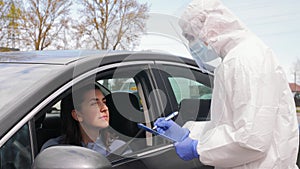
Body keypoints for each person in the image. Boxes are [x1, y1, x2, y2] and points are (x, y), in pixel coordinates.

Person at [154, 0, 299, 168]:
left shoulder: (247, 61)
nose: (191, 45)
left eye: (191, 37)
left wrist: (198, 148)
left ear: (211, 28)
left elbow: (252, 139)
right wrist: (189, 132)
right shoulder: (235, 60)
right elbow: (228, 124)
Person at [41, 83, 131, 156]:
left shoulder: (118, 148)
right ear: (77, 115)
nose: (105, 108)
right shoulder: (54, 150)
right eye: (95, 103)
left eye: (104, 102)